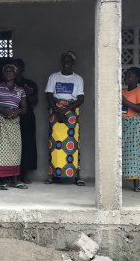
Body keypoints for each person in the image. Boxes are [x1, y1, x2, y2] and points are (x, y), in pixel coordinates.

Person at [45, 51, 85, 186]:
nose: (66, 63)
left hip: (71, 111)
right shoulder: (53, 77)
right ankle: (52, 175)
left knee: (73, 144)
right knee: (54, 144)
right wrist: (57, 110)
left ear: (73, 63)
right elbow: (49, 96)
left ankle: (76, 176)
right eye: (64, 61)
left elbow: (80, 99)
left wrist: (65, 110)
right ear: (61, 62)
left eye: (69, 61)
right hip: (55, 112)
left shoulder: (78, 79)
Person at [0, 64, 27, 190]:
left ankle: (15, 180)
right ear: (3, 74)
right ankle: (3, 181)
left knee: (15, 150)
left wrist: (17, 112)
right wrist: (1, 109)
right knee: (1, 150)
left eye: (11, 71)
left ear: (15, 74)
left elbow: (25, 108)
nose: (9, 73)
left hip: (14, 122)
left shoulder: (20, 90)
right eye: (6, 71)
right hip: (0, 122)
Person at [122, 67, 140, 192]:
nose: (127, 78)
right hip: (122, 123)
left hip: (135, 125)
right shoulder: (122, 91)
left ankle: (136, 185)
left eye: (130, 76)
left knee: (134, 154)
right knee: (121, 153)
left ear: (137, 78)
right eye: (126, 75)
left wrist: (125, 101)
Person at [12, 59, 38, 184]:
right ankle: (13, 175)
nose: (15, 70)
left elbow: (35, 102)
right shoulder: (7, 83)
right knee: (12, 145)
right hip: (11, 117)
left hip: (26, 117)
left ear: (22, 69)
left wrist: (28, 94)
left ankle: (24, 175)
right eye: (13, 67)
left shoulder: (29, 83)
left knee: (27, 145)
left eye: (17, 67)